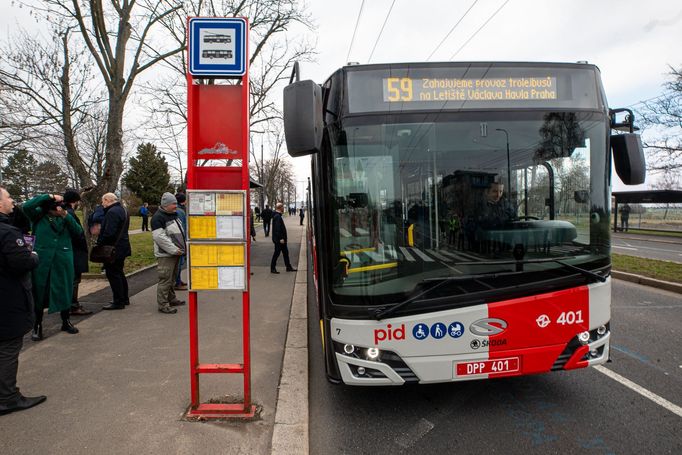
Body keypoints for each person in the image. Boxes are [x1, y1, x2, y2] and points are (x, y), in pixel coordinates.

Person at [0, 186, 46, 415]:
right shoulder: (7, 233)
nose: (12, 201)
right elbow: (22, 262)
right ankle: (8, 397)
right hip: (8, 298)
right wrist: (34, 256)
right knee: (8, 348)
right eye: (8, 197)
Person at [22, 193, 84, 338]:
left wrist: (65, 216)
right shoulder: (38, 216)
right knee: (39, 292)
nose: (57, 208)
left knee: (64, 289)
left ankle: (65, 320)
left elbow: (78, 231)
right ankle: (37, 325)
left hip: (62, 260)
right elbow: (26, 206)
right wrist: (49, 196)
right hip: (42, 261)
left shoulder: (66, 216)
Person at [152, 193, 186, 314]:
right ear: (166, 205)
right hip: (167, 255)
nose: (176, 206)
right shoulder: (158, 217)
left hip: (175, 253)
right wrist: (174, 250)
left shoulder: (173, 214)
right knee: (165, 279)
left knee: (171, 279)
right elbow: (159, 238)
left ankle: (171, 299)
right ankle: (163, 304)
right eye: (173, 204)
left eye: (176, 203)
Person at [99, 193, 131, 310]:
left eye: (103, 201)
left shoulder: (112, 212)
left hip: (113, 248)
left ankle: (118, 301)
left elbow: (109, 233)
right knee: (119, 272)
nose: (102, 204)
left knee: (113, 274)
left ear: (107, 200)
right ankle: (124, 298)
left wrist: (100, 242)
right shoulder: (123, 210)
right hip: (122, 246)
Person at [63, 190, 92, 316]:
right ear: (75, 201)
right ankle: (73, 305)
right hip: (75, 251)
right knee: (74, 280)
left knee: (71, 280)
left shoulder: (64, 212)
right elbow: (77, 233)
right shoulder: (69, 214)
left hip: (69, 250)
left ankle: (69, 304)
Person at [270, 202, 296, 274]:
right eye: (283, 207)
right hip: (279, 240)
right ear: (280, 208)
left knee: (285, 253)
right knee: (277, 253)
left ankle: (288, 267)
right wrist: (281, 238)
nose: (283, 208)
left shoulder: (277, 215)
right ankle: (272, 268)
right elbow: (277, 229)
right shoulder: (277, 216)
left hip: (280, 240)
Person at [174, 193, 188, 290]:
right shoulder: (180, 212)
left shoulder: (177, 210)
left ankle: (178, 280)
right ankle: (177, 282)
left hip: (177, 239)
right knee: (179, 262)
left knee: (179, 262)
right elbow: (184, 226)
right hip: (180, 240)